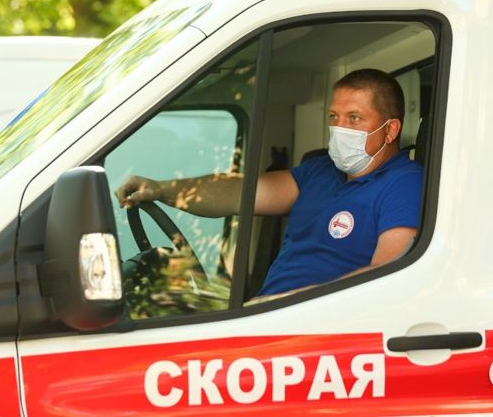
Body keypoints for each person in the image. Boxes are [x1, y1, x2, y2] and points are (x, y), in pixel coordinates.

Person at [115, 68, 423, 297]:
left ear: (390, 130)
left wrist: (289, 304)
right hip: (270, 318)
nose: (339, 128)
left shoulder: (405, 183)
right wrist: (162, 189)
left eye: (354, 118)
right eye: (333, 117)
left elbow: (387, 277)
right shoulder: (319, 171)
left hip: (320, 330)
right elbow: (239, 193)